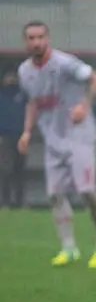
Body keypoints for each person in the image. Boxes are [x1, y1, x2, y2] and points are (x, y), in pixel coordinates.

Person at [16, 21, 96, 268]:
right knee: (54, 195)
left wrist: (84, 106)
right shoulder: (25, 71)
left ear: (47, 38)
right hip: (52, 140)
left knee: (86, 191)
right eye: (31, 38)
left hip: (79, 136)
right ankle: (69, 248)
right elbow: (32, 103)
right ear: (25, 42)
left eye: (40, 37)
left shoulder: (64, 63)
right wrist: (26, 131)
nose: (36, 42)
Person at [0, 69, 27, 209]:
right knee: (6, 169)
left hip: (21, 136)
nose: (11, 79)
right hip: (4, 137)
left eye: (13, 76)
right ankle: (5, 202)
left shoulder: (22, 95)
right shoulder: (1, 95)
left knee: (20, 169)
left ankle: (20, 202)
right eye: (8, 76)